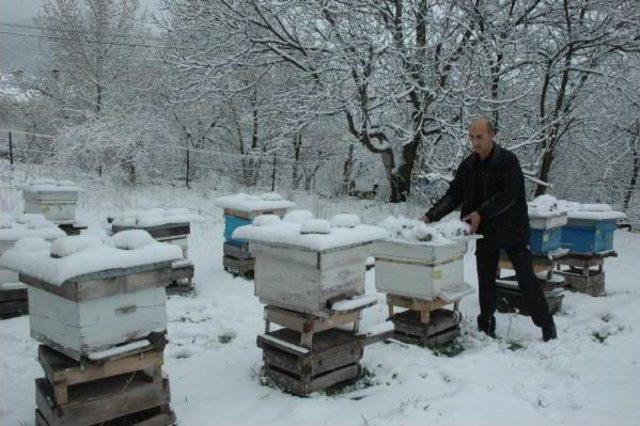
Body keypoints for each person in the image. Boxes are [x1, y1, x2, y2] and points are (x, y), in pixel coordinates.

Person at [421, 117, 557, 341]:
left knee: (526, 279)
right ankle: (486, 324)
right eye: (472, 137)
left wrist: (480, 212)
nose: (475, 142)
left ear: (492, 136)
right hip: (486, 231)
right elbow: (454, 194)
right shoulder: (468, 165)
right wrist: (429, 216)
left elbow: (508, 196)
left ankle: (546, 325)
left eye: (480, 137)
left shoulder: (507, 161)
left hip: (514, 230)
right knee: (485, 279)